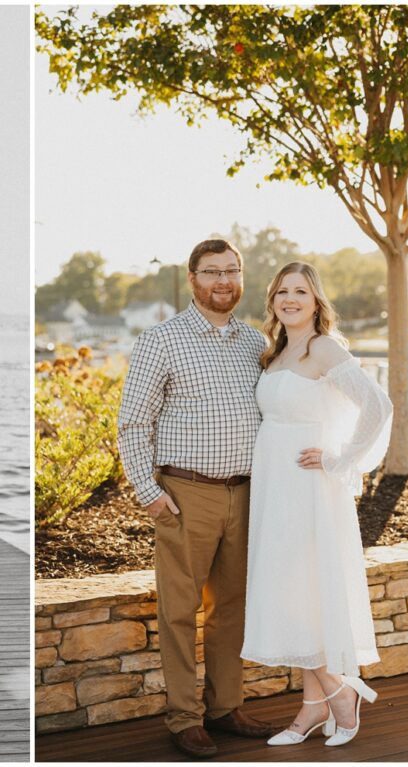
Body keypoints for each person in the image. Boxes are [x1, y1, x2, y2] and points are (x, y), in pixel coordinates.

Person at [117, 239, 279, 759]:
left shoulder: (255, 343)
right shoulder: (161, 340)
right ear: (192, 279)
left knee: (232, 607)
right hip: (185, 495)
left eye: (232, 271)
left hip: (246, 493)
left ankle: (225, 707)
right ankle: (185, 718)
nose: (224, 281)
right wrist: (149, 494)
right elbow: (132, 423)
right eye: (213, 272)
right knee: (181, 611)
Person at [241, 262, 392, 748]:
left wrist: (340, 457)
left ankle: (339, 693)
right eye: (282, 291)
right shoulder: (277, 352)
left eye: (300, 291)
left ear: (315, 300)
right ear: (273, 300)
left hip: (309, 488)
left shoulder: (325, 348)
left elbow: (377, 406)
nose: (290, 299)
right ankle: (311, 707)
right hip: (275, 486)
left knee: (304, 587)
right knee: (293, 590)